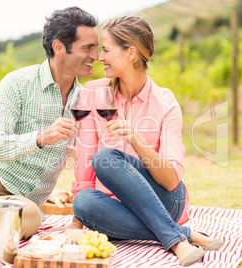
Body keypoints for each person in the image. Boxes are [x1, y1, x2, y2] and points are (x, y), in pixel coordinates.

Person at [66, 16, 224, 266]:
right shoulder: (93, 94)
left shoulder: (165, 103)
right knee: (83, 203)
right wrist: (75, 225)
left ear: (131, 54)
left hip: (166, 201)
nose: (99, 57)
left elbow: (172, 181)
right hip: (114, 209)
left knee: (106, 157)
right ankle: (183, 236)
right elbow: (84, 161)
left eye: (105, 50)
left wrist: (137, 140)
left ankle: (174, 239)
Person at [0, 6, 99, 240]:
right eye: (87, 47)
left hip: (20, 200)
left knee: (29, 219)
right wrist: (40, 137)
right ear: (59, 47)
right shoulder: (17, 83)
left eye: (95, 48)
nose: (95, 56)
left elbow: (88, 161)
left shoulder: (85, 101)